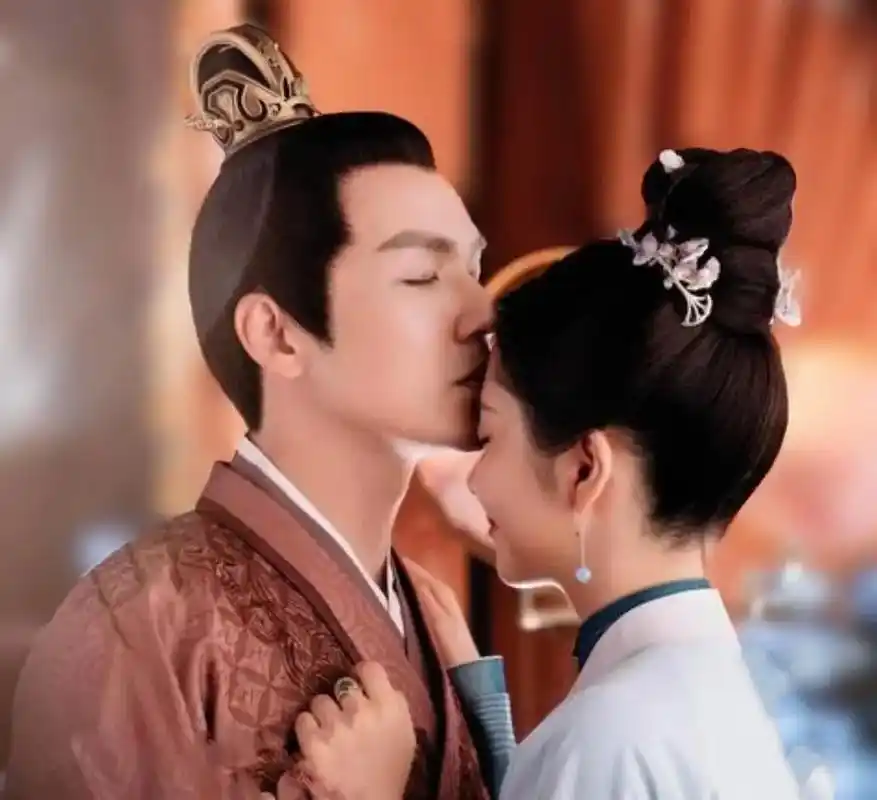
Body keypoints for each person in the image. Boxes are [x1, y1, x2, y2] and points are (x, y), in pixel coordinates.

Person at [4, 24, 505, 799]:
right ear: (276, 333)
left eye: (474, 267)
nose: (482, 311)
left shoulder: (432, 619)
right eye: (420, 276)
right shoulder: (134, 626)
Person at [292, 147, 832, 799]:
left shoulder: (611, 735)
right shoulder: (699, 700)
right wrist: (483, 713)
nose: (474, 481)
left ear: (583, 469)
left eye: (490, 436)